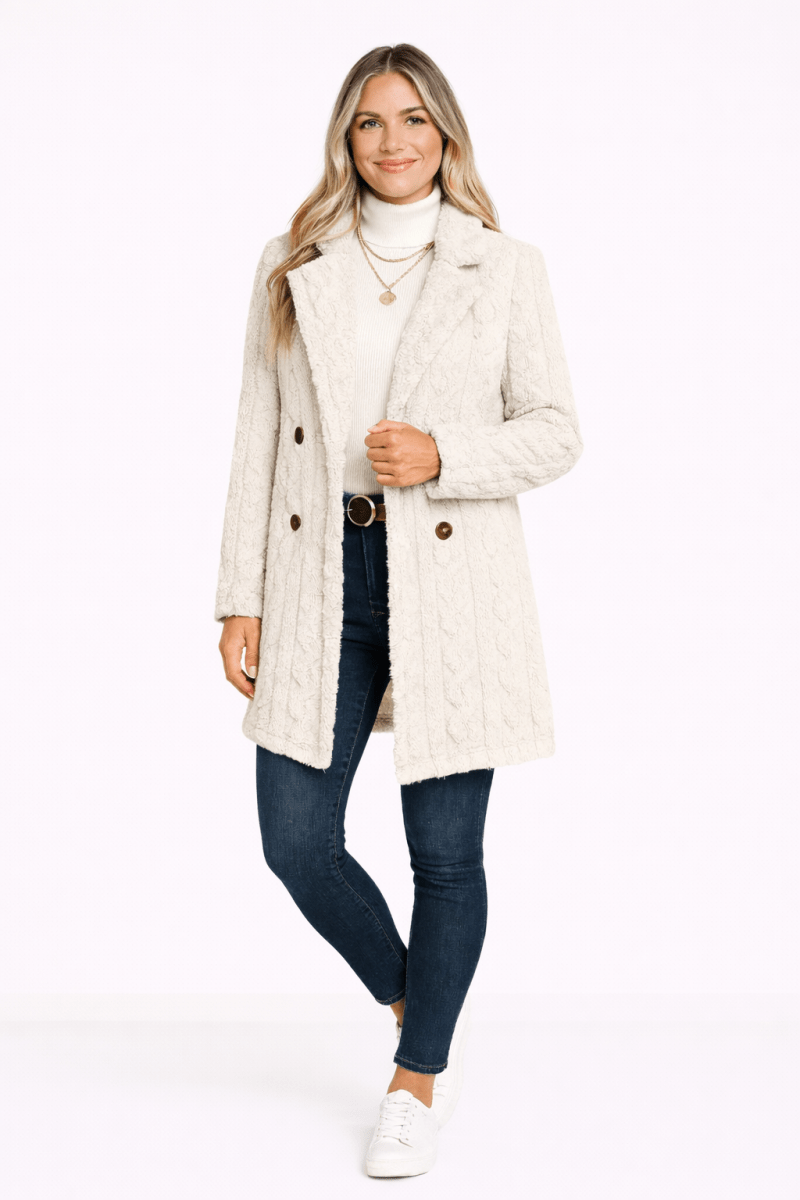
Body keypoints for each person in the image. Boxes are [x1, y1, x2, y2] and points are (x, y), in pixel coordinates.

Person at [215, 43, 583, 1178]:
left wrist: (442, 455)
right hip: (318, 573)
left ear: (446, 135)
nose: (393, 141)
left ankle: (416, 1081)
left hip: (449, 579)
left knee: (445, 855)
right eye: (371, 122)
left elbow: (555, 431)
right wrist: (238, 598)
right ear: (346, 137)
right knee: (297, 838)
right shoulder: (294, 262)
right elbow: (255, 435)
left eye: (414, 119)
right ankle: (420, 1011)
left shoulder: (501, 266)